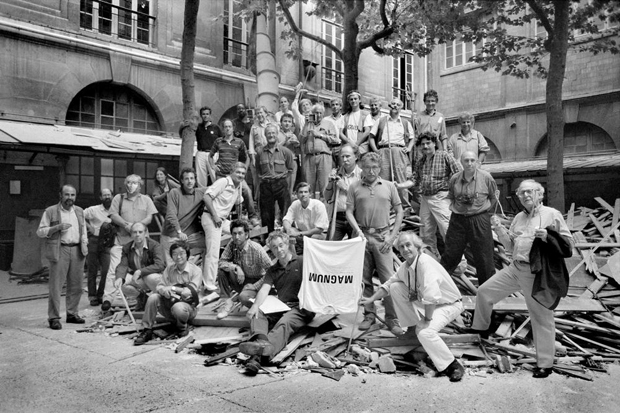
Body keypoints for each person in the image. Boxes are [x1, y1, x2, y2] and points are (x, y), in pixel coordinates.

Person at [468, 180, 573, 378]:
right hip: (515, 269)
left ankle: (545, 363)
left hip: (536, 273)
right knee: (484, 291)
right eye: (521, 193)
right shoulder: (518, 217)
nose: (525, 196)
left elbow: (568, 246)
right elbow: (509, 247)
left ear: (540, 195)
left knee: (541, 318)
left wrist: (548, 238)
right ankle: (481, 330)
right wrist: (498, 228)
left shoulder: (552, 214)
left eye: (529, 192)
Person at [361, 232, 465, 381]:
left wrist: (426, 320)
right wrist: (370, 299)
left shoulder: (424, 263)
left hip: (448, 305)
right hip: (431, 304)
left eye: (408, 245)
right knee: (396, 287)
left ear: (417, 246)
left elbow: (432, 296)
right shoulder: (406, 266)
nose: (405, 249)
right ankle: (411, 330)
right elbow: (388, 285)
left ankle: (452, 365)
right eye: (401, 247)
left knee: (425, 333)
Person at [346, 152, 404, 335]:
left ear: (380, 168)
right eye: (367, 167)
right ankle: (369, 315)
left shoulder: (388, 186)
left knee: (388, 280)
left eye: (375, 167)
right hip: (362, 238)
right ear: (361, 167)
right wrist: (358, 231)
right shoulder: (354, 187)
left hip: (383, 238)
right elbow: (348, 211)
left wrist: (392, 237)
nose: (371, 171)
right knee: (364, 280)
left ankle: (391, 318)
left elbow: (400, 211)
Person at [239, 231, 314, 369]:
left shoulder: (302, 262)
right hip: (282, 306)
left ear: (287, 244)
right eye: (274, 247)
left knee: (284, 323)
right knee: (258, 311)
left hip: (301, 308)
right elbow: (264, 290)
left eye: (281, 245)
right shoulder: (273, 270)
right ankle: (262, 342)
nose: (279, 250)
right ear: (271, 250)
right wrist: (255, 306)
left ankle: (259, 356)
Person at [441, 151, 498, 285]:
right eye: (466, 160)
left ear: (477, 161)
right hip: (458, 220)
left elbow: (493, 198)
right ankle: (440, 287)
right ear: (461, 162)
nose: (469, 163)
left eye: (472, 160)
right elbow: (451, 196)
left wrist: (483, 213)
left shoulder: (486, 177)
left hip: (479, 219)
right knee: (451, 254)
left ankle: (486, 291)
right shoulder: (455, 178)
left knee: (484, 256)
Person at [102, 174, 158, 311]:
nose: (131, 185)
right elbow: (113, 215)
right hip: (122, 240)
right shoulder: (118, 198)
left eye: (134, 182)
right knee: (114, 270)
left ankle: (149, 298)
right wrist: (126, 225)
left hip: (141, 243)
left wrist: (137, 227)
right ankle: (108, 299)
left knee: (144, 271)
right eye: (128, 182)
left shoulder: (146, 199)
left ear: (140, 185)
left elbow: (150, 217)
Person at [37, 184, 88, 330]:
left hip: (77, 250)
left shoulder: (79, 211)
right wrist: (56, 228)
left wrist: (84, 243)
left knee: (77, 285)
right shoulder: (51, 211)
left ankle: (72, 314)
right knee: (56, 286)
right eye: (67, 194)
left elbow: (83, 229)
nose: (69, 198)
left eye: (72, 195)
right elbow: (40, 232)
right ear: (60, 195)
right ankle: (53, 318)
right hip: (60, 249)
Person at [134, 241, 203, 345]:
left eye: (181, 253)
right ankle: (147, 329)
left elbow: (188, 292)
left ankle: (182, 328)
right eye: (175, 254)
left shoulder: (196, 270)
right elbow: (159, 286)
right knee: (153, 297)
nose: (178, 256)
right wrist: (164, 290)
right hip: (169, 304)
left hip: (187, 308)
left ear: (187, 254)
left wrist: (172, 288)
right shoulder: (169, 269)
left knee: (178, 307)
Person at [414, 132, 462, 257]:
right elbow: (414, 181)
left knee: (447, 230)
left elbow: (459, 172)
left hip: (441, 197)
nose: (425, 146)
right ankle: (433, 260)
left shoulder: (444, 156)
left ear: (434, 143)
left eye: (428, 143)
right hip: (425, 199)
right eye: (422, 144)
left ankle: (458, 264)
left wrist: (455, 192)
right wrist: (398, 185)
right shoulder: (420, 162)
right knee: (425, 233)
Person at [201, 162, 247, 292]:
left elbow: (239, 203)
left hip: (223, 220)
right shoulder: (223, 182)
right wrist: (215, 216)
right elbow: (206, 197)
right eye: (238, 172)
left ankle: (237, 265)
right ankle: (209, 285)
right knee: (213, 251)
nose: (240, 175)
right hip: (211, 217)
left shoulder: (238, 186)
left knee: (241, 233)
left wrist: (240, 220)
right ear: (232, 172)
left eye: (243, 173)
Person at [216, 219, 273, 319]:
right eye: (234, 234)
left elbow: (271, 271)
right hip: (241, 280)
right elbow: (221, 262)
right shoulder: (232, 244)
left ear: (246, 235)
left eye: (240, 233)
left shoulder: (256, 249)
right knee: (222, 272)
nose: (237, 237)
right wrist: (236, 267)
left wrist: (254, 286)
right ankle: (227, 303)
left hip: (257, 282)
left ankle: (264, 307)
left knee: (243, 297)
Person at [368, 97, 415, 207]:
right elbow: (371, 137)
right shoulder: (381, 120)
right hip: (383, 151)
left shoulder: (405, 122)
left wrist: (408, 148)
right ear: (389, 105)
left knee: (400, 179)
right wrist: (375, 150)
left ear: (401, 108)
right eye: (393, 103)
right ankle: (384, 206)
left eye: (397, 105)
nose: (395, 106)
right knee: (383, 179)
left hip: (399, 152)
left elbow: (413, 138)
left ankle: (404, 207)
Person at [209, 119, 257, 222]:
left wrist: (244, 169)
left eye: (229, 126)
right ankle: (218, 217)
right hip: (221, 175)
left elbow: (247, 157)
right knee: (219, 195)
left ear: (233, 128)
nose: (227, 128)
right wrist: (213, 166)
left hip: (235, 175)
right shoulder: (218, 141)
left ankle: (252, 216)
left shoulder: (239, 142)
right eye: (225, 127)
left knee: (247, 191)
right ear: (223, 129)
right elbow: (210, 156)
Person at [114, 223, 165, 309]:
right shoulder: (127, 247)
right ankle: (142, 298)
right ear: (131, 234)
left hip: (155, 279)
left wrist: (141, 271)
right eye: (134, 232)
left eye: (140, 232)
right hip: (138, 278)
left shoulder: (155, 245)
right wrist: (119, 278)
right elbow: (123, 265)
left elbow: (160, 265)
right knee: (121, 282)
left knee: (150, 277)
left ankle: (161, 302)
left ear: (145, 233)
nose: (137, 235)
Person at [161, 167, 207, 264]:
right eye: (186, 179)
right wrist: (179, 231)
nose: (189, 181)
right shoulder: (174, 193)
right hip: (172, 235)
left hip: (189, 236)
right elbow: (171, 214)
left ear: (195, 179)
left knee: (211, 244)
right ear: (181, 180)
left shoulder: (201, 193)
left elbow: (218, 188)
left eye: (192, 178)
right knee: (171, 268)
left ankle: (197, 268)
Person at [256, 124, 295, 233]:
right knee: (266, 215)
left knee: (286, 211)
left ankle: (288, 236)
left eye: (273, 133)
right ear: (265, 135)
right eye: (269, 133)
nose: (271, 135)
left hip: (281, 184)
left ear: (277, 134)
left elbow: (291, 168)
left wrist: (281, 179)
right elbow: (258, 170)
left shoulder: (285, 151)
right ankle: (268, 240)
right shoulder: (259, 152)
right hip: (266, 185)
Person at [324, 145, 362, 240]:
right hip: (338, 217)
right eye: (342, 157)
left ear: (356, 156)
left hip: (355, 217)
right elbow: (327, 197)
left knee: (354, 247)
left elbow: (362, 198)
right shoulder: (336, 173)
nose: (344, 159)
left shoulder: (361, 175)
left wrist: (344, 187)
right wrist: (330, 183)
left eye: (348, 156)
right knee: (331, 246)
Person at [300, 104, 340, 196]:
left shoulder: (329, 123)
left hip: (324, 157)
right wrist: (306, 124)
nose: (317, 115)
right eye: (315, 113)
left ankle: (325, 208)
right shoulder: (308, 124)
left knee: (324, 186)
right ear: (312, 114)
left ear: (323, 114)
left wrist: (320, 135)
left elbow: (335, 140)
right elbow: (302, 140)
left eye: (320, 113)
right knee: (308, 187)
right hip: (310, 158)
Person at [84, 188, 113, 306]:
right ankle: (92, 296)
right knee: (92, 270)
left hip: (107, 243)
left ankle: (101, 294)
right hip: (94, 241)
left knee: (106, 270)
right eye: (105, 195)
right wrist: (88, 227)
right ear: (101, 198)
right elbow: (78, 214)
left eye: (109, 195)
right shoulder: (94, 210)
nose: (107, 197)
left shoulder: (116, 211)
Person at [283, 182, 329, 255]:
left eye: (305, 192)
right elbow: (286, 219)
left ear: (310, 194)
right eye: (300, 192)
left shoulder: (319, 205)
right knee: (288, 230)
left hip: (319, 234)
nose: (303, 194)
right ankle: (295, 255)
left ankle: (310, 253)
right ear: (297, 195)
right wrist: (288, 231)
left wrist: (299, 233)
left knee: (314, 237)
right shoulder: (295, 204)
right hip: (302, 234)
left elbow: (319, 229)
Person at [195, 106, 222, 187]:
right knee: (200, 178)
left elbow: (222, 141)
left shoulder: (216, 127)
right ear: (201, 115)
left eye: (207, 114)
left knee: (215, 176)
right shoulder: (198, 127)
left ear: (210, 115)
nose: (205, 116)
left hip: (212, 154)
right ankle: (201, 197)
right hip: (201, 153)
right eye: (203, 114)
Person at [341, 91, 373, 156]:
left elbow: (367, 131)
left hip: (361, 148)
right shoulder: (345, 116)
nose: (353, 101)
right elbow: (340, 132)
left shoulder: (365, 114)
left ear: (359, 100)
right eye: (351, 99)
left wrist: (356, 144)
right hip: (348, 147)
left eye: (355, 99)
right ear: (349, 101)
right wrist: (349, 142)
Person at [278, 112, 301, 195]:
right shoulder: (277, 134)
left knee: (290, 188)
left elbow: (298, 151)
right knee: (280, 188)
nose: (287, 123)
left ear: (292, 124)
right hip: (280, 163)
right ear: (281, 123)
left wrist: (296, 144)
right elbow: (275, 148)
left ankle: (288, 207)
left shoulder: (293, 135)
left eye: (289, 121)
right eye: (285, 121)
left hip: (292, 162)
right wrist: (285, 140)